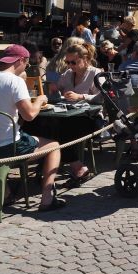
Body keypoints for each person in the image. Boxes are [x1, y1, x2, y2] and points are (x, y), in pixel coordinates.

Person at [0, 45, 64, 211]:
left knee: (15, 133)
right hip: (6, 150)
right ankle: (47, 199)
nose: (25, 68)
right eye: (26, 64)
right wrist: (40, 100)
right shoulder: (15, 81)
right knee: (54, 145)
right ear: (21, 60)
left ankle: (5, 193)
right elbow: (29, 115)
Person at [56, 43, 102, 186]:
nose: (70, 65)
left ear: (86, 59)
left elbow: (102, 98)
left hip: (91, 118)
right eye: (67, 62)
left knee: (61, 132)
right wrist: (53, 89)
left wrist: (81, 97)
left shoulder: (96, 74)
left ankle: (78, 168)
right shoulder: (68, 73)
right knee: (45, 127)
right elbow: (57, 88)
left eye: (73, 62)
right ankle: (52, 165)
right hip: (67, 114)